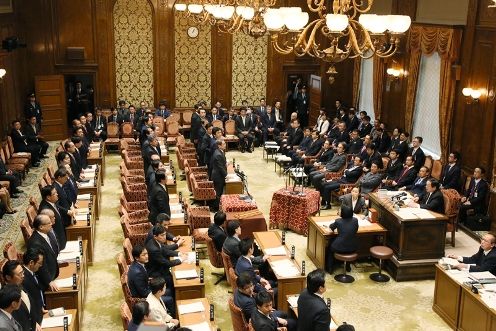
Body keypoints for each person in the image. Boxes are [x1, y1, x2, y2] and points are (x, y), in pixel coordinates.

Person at [27, 214, 60, 292]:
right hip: (46, 281)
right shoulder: (35, 243)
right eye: (48, 223)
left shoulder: (46, 233)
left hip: (53, 272)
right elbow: (40, 265)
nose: (51, 223)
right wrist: (49, 281)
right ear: (41, 227)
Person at [145, 224, 183, 290]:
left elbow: (165, 250)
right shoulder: (154, 249)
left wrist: (178, 253)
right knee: (173, 280)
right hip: (155, 272)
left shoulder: (155, 242)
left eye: (165, 234)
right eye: (162, 235)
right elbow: (166, 263)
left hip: (159, 267)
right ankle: (173, 297)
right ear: (155, 236)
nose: (165, 237)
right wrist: (180, 260)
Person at [2, 260, 37, 331]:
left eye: (23, 272)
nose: (23, 276)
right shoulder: (6, 296)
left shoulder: (19, 285)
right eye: (20, 274)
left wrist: (35, 323)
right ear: (8, 277)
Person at [326, 205, 359, 273]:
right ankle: (348, 267)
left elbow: (331, 227)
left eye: (340, 210)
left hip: (339, 247)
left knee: (330, 248)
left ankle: (330, 268)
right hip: (352, 247)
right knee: (348, 245)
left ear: (343, 213)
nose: (339, 211)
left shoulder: (338, 221)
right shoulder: (355, 220)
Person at [38, 185, 70, 249]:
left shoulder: (50, 201)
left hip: (62, 232)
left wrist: (67, 211)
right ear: (48, 197)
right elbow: (49, 228)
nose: (57, 194)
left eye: (56, 192)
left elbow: (57, 206)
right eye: (54, 193)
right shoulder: (45, 210)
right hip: (58, 238)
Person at [21, 248, 45, 327]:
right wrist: (34, 322)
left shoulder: (31, 273)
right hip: (36, 320)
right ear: (31, 262)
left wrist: (41, 307)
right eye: (40, 263)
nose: (41, 266)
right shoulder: (24, 279)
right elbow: (28, 302)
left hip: (40, 312)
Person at [211, 140, 227, 211]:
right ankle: (216, 208)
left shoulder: (220, 152)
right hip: (218, 176)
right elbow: (220, 167)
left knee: (219, 192)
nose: (225, 145)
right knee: (218, 193)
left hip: (219, 175)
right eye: (223, 144)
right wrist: (226, 176)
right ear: (219, 146)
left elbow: (222, 163)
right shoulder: (218, 154)